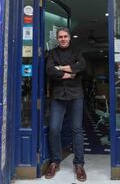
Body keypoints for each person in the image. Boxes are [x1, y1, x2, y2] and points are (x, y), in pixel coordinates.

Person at [45, 27, 87, 182]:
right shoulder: (52, 53)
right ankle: (55, 161)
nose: (63, 39)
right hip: (58, 95)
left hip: (76, 95)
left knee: (77, 129)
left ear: (69, 38)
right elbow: (49, 70)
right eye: (60, 37)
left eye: (65, 36)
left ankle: (79, 164)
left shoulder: (76, 51)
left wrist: (60, 68)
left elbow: (81, 66)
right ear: (57, 39)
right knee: (54, 129)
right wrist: (69, 73)